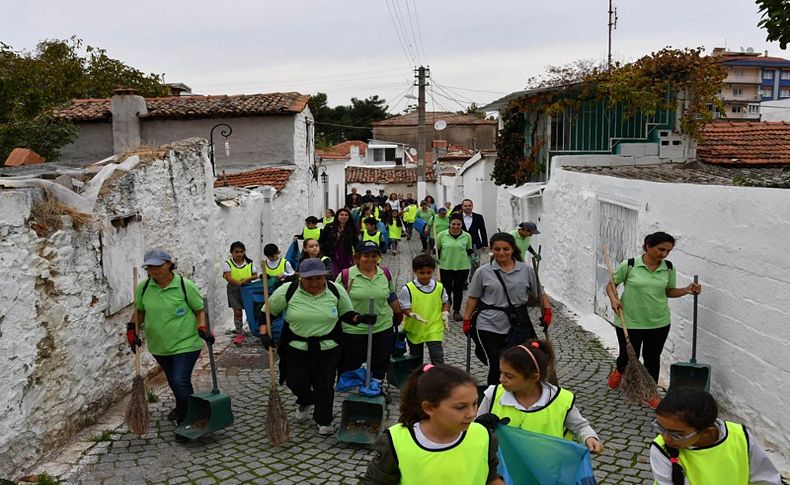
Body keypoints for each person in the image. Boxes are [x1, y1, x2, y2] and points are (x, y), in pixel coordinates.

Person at [264, 258, 374, 435]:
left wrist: (360, 319)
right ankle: (305, 400)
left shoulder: (335, 291)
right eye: (309, 279)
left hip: (328, 348)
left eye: (319, 278)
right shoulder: (288, 290)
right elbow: (266, 314)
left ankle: (324, 419)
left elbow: (347, 314)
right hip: (296, 347)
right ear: (300, 277)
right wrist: (264, 334)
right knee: (295, 381)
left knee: (324, 384)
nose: (314, 283)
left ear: (325, 276)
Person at [360, 364, 505, 485]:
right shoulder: (395, 441)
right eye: (460, 407)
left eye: (474, 404)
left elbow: (490, 476)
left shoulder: (484, 435)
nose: (472, 413)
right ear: (429, 408)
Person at [605, 231, 702, 400]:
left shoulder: (668, 268)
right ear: (648, 246)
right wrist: (614, 299)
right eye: (660, 249)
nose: (664, 254)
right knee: (628, 356)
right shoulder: (629, 265)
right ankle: (620, 370)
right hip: (629, 321)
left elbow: (669, 291)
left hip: (658, 322)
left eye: (668, 251)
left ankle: (650, 393)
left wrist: (686, 290)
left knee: (652, 358)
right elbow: (611, 285)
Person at [129, 249, 210, 442]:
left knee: (180, 380)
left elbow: (199, 310)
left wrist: (202, 327)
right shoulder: (143, 288)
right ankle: (183, 406)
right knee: (174, 380)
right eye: (149, 267)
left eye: (158, 265)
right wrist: (131, 331)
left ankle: (187, 421)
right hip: (160, 346)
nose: (154, 270)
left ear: (169, 264)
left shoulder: (184, 285)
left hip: (187, 343)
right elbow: (139, 312)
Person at [478, 341, 604, 454]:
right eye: (501, 372)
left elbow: (579, 426)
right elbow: (474, 429)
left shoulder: (561, 400)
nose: (501, 379)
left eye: (509, 376)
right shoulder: (493, 395)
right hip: (506, 473)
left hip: (547, 471)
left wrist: (590, 438)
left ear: (534, 377)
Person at [463, 232, 552, 386]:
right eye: (497, 249)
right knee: (496, 364)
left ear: (512, 250)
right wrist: (466, 319)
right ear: (492, 250)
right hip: (488, 323)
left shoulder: (526, 270)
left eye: (506, 249)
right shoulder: (482, 272)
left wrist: (548, 311)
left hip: (518, 324)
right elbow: (473, 298)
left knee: (520, 362)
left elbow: (540, 293)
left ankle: (518, 393)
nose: (501, 253)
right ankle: (495, 397)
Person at [650, 387, 781, 485]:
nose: (665, 437)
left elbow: (765, 479)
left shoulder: (740, 437)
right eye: (661, 428)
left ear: (708, 432)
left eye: (676, 434)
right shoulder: (660, 448)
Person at [336, 241, 402, 382]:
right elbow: (336, 301)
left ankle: (375, 385)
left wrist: (398, 313)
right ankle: (355, 386)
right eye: (366, 256)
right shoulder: (346, 276)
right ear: (358, 257)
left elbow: (391, 295)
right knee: (353, 361)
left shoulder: (384, 273)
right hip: (354, 329)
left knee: (380, 360)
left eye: (374, 255)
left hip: (382, 326)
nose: (370, 259)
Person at [398, 254, 450, 365]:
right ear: (414, 271)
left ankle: (439, 379)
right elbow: (405, 308)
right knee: (416, 359)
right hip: (415, 329)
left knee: (437, 356)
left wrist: (445, 312)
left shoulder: (439, 287)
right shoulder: (407, 289)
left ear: (433, 271)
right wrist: (411, 314)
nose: (426, 276)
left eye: (429, 273)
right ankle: (417, 380)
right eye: (422, 273)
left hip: (434, 327)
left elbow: (445, 302)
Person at [436, 214, 473, 321]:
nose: (456, 227)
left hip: (462, 267)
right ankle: (447, 309)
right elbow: (437, 249)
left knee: (458, 289)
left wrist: (473, 256)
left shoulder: (467, 236)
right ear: (449, 224)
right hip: (445, 266)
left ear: (462, 224)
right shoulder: (442, 235)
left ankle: (456, 311)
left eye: (458, 224)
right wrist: (434, 258)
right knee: (446, 289)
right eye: (453, 224)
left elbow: (469, 249)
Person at [222, 241, 259, 345]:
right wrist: (240, 283)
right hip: (234, 289)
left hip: (247, 289)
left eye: (241, 252)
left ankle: (254, 330)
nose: (239, 254)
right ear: (231, 252)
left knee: (251, 310)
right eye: (236, 252)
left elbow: (255, 275)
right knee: (237, 311)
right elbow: (229, 278)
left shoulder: (249, 262)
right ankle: (239, 333)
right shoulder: (227, 263)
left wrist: (247, 279)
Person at [319, 207, 358, 277]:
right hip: (331, 255)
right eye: (341, 214)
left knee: (345, 274)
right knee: (333, 274)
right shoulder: (329, 227)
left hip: (346, 255)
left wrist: (358, 256)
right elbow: (321, 240)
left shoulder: (351, 229)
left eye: (346, 215)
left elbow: (356, 243)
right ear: (337, 216)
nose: (344, 216)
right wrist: (321, 253)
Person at [460, 199, 488, 281]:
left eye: (469, 205)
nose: (467, 207)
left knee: (475, 263)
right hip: (461, 243)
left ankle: (474, 280)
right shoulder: (457, 217)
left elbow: (483, 230)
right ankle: (463, 280)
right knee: (462, 263)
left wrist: (484, 243)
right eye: (465, 206)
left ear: (472, 206)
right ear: (462, 207)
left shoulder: (478, 217)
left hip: (475, 243)